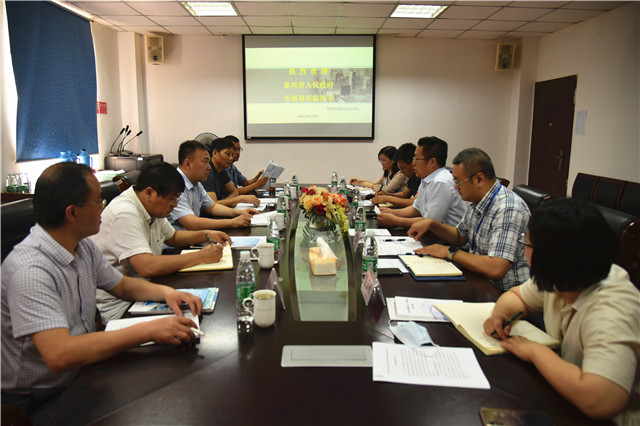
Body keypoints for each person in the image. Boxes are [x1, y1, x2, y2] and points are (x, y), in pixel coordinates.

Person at [1, 163, 202, 423]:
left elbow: (122, 285)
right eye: (98, 201)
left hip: (81, 370)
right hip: (38, 397)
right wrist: (149, 330)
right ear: (73, 212)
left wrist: (167, 293)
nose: (104, 207)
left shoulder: (82, 245)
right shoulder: (30, 271)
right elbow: (60, 354)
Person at [483, 198, 639, 424]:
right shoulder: (565, 274)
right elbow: (517, 297)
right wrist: (500, 315)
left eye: (526, 244)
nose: (523, 250)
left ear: (548, 255)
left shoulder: (612, 309)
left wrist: (536, 352)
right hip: (567, 400)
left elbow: (601, 401)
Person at [92, 162, 232, 323]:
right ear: (149, 193)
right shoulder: (125, 213)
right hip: (123, 307)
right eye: (172, 200)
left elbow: (173, 237)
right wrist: (201, 256)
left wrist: (206, 234)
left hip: (149, 289)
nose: (175, 205)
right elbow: (147, 267)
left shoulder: (150, 207)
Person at [407, 147, 530, 292]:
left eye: (458, 181)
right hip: (478, 279)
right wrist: (432, 224)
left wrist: (450, 252)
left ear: (479, 179)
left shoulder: (508, 208)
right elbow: (460, 236)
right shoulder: (477, 201)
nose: (455, 187)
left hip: (502, 292)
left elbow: (496, 268)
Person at [376, 137, 466, 228]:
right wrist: (391, 212)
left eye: (416, 159)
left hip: (444, 235)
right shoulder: (426, 179)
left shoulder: (441, 182)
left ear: (432, 162)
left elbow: (429, 222)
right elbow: (416, 209)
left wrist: (395, 220)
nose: (413, 163)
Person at [168, 140, 257, 232]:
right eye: (205, 162)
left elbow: (212, 207)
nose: (209, 167)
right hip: (179, 240)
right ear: (187, 164)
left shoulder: (196, 183)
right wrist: (232, 222)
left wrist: (239, 212)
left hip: (193, 236)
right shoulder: (174, 185)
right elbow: (192, 224)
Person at [202, 137, 261, 207]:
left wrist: (228, 202)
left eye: (232, 155)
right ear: (215, 153)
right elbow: (212, 205)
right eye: (227, 154)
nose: (231, 158)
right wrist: (239, 199)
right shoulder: (207, 172)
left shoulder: (222, 170)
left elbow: (234, 192)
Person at [371, 142, 421, 208]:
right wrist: (386, 194)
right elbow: (405, 194)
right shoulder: (413, 176)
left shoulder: (422, 177)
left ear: (413, 163)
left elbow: (414, 202)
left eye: (403, 168)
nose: (401, 172)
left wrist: (387, 198)